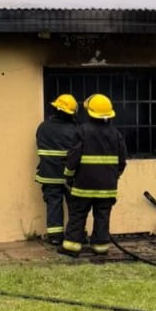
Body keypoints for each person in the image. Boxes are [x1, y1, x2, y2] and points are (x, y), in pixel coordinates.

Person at [60, 93, 128, 258]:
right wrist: (114, 176)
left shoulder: (82, 131)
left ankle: (71, 246)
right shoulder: (116, 133)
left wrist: (68, 175)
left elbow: (73, 156)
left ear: (90, 112)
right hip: (107, 187)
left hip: (83, 185)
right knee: (102, 216)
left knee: (78, 214)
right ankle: (100, 246)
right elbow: (122, 161)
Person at [34, 93, 80, 245]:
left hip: (48, 174)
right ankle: (75, 235)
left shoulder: (43, 127)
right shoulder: (75, 130)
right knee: (74, 206)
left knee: (53, 204)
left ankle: (55, 236)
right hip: (70, 176)